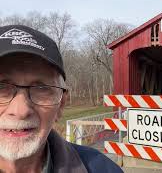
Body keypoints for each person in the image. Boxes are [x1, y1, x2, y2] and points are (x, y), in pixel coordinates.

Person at [0, 25, 123, 173]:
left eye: (41, 89)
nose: (20, 110)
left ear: (61, 105)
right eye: (1, 88)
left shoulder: (104, 169)